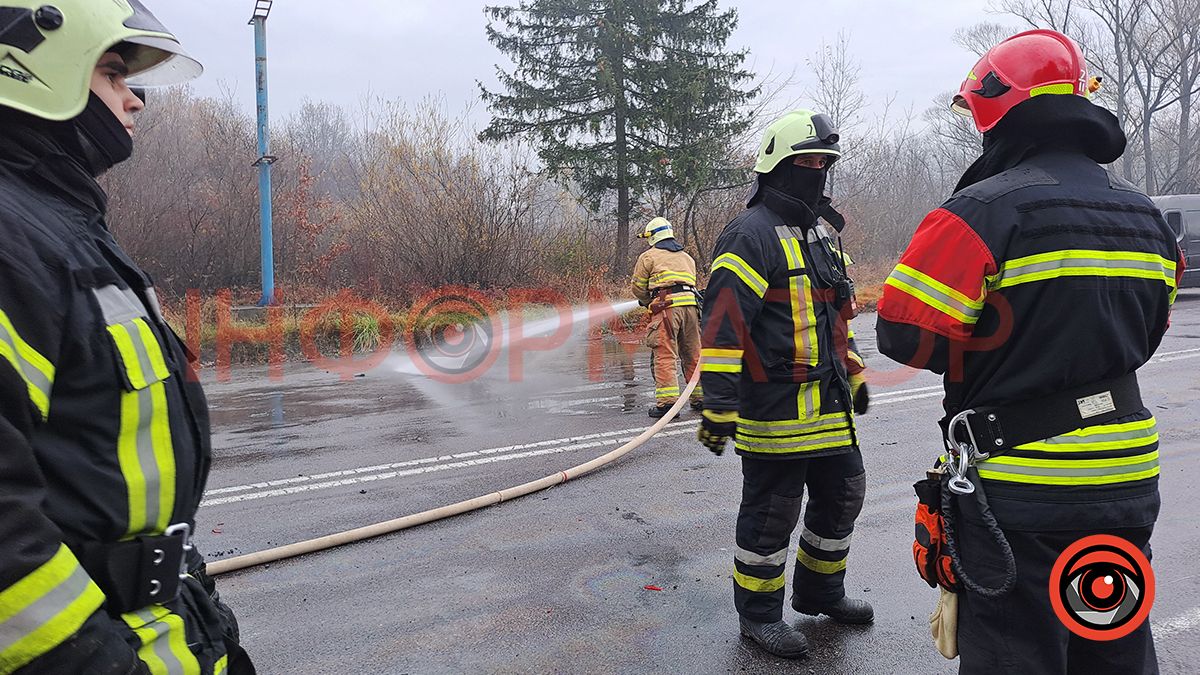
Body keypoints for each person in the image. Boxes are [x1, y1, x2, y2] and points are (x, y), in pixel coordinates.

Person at [876, 29, 1183, 674]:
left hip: (1021, 489)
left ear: (992, 112)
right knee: (1114, 647)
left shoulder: (979, 213)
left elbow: (904, 334)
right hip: (1125, 480)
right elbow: (1149, 331)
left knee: (1017, 655)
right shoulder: (1146, 216)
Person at [0, 1, 253, 673]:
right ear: (33, 69)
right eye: (113, 73)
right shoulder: (14, 241)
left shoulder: (65, 229)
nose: (135, 98)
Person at [697, 110, 872, 659]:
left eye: (824, 162)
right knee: (772, 513)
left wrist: (856, 371)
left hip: (830, 406)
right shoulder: (748, 236)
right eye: (807, 161)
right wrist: (718, 405)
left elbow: (837, 314)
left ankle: (820, 592)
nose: (817, 171)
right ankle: (759, 616)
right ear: (777, 165)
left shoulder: (821, 234)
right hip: (775, 409)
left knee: (844, 494)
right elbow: (723, 327)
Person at [630, 217, 703, 417]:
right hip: (691, 308)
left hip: (666, 308)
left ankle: (668, 404)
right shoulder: (687, 258)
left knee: (665, 354)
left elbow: (638, 287)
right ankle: (701, 398)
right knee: (693, 354)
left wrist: (647, 301)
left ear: (652, 236)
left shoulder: (648, 256)